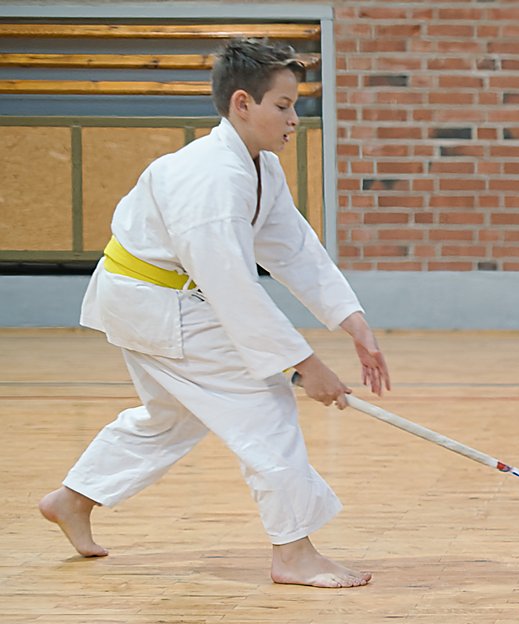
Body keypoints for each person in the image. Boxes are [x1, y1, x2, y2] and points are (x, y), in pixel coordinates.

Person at [38, 38, 390, 589]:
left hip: (150, 300)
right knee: (265, 405)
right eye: (283, 105)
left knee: (172, 416)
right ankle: (293, 553)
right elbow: (233, 289)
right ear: (242, 104)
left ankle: (72, 499)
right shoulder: (209, 179)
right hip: (157, 302)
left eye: (296, 105)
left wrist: (352, 320)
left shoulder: (257, 168)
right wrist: (302, 365)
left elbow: (293, 247)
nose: (294, 119)